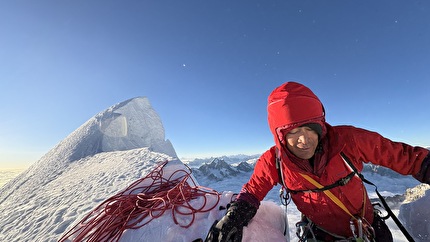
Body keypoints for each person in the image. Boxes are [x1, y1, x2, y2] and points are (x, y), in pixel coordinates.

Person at [207, 82, 430, 242]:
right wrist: (235, 218)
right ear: (279, 136)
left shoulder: (347, 141)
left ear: (321, 127)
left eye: (310, 129)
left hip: (369, 229)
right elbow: (253, 191)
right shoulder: (274, 161)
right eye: (292, 132)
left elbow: (401, 156)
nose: (303, 140)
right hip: (322, 234)